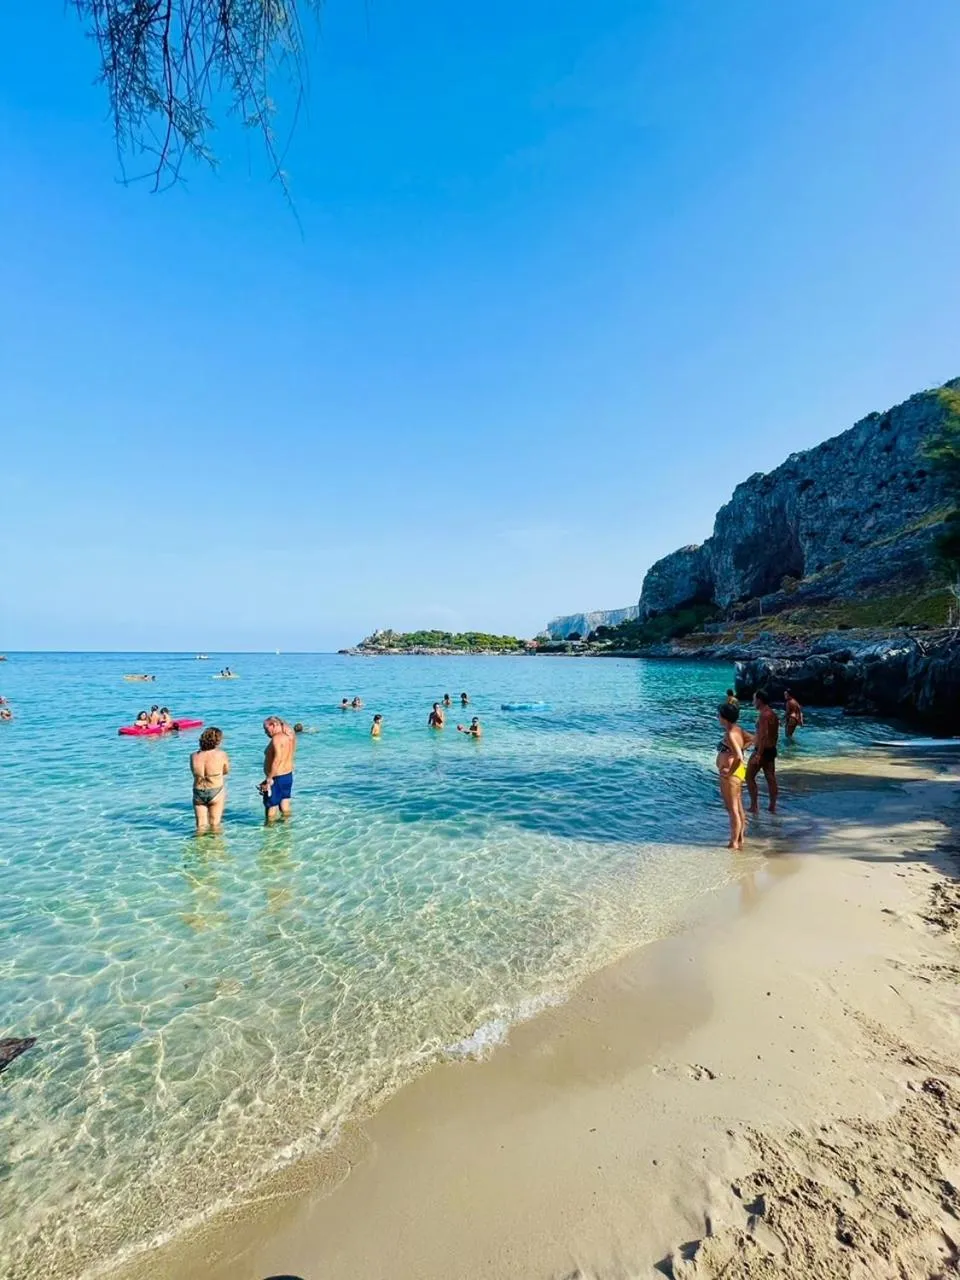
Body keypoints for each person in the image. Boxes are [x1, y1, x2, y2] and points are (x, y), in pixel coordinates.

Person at [716, 702, 750, 849]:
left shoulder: (730, 734)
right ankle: (740, 838)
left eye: (719, 715)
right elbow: (752, 739)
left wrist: (729, 771)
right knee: (738, 806)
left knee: (732, 809)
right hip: (738, 771)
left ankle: (734, 842)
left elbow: (739, 757)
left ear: (725, 718)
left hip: (730, 774)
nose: (717, 717)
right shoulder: (738, 730)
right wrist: (740, 749)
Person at [747, 689, 780, 815]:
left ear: (759, 700)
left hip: (762, 751)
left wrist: (759, 754)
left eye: (754, 699)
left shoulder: (763, 715)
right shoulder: (772, 714)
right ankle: (772, 807)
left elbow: (763, 735)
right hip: (771, 750)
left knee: (749, 777)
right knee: (770, 778)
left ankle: (754, 807)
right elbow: (774, 734)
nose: (753, 702)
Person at [190, 727, 230, 833]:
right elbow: (226, 771)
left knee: (200, 826)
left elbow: (194, 773)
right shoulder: (222, 755)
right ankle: (216, 844)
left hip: (198, 791)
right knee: (215, 824)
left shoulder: (193, 756)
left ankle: (199, 843)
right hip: (216, 790)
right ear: (217, 741)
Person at [259, 716, 297, 823]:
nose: (265, 732)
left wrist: (269, 779)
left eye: (266, 729)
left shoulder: (277, 738)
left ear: (274, 725)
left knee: (271, 806)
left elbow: (277, 759)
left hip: (277, 777)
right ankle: (286, 828)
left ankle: (269, 830)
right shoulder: (290, 735)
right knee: (285, 803)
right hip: (287, 775)